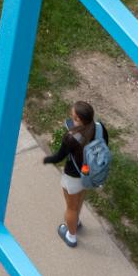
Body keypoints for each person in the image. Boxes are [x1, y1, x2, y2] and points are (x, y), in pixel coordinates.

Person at [41, 100, 106, 249]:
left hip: (73, 176)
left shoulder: (71, 138)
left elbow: (59, 157)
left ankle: (71, 236)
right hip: (89, 175)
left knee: (71, 207)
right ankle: (76, 222)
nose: (71, 117)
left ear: (78, 120)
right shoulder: (100, 128)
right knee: (80, 200)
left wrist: (46, 159)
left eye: (73, 117)